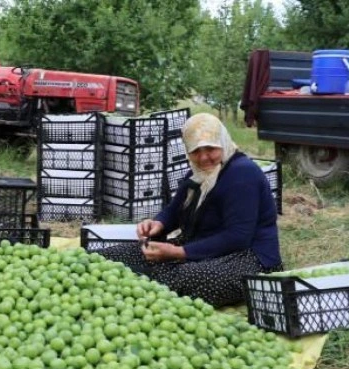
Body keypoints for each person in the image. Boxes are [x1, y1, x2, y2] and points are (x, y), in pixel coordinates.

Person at [96, 113, 282, 307]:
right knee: (114, 257)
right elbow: (174, 210)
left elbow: (238, 236)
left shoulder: (242, 173)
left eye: (210, 148)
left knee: (185, 276)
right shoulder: (198, 173)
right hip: (200, 245)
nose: (203, 157)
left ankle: (137, 287)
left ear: (222, 142)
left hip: (250, 257)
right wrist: (158, 224)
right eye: (195, 151)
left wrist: (179, 252)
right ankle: (137, 281)